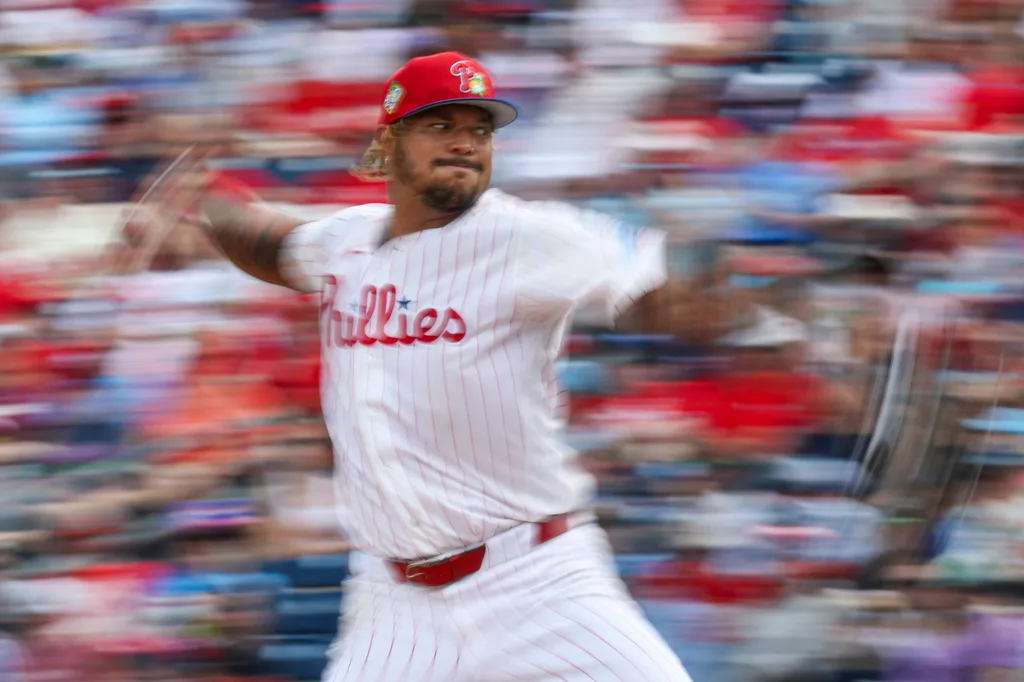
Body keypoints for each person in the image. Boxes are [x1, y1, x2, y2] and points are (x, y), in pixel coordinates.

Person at [141, 51, 692, 681]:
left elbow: (659, 279)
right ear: (389, 140)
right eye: (441, 125)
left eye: (479, 130)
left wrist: (734, 306)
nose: (465, 143)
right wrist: (205, 205)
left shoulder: (526, 237)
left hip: (536, 582)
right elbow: (274, 245)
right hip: (394, 602)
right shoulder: (347, 241)